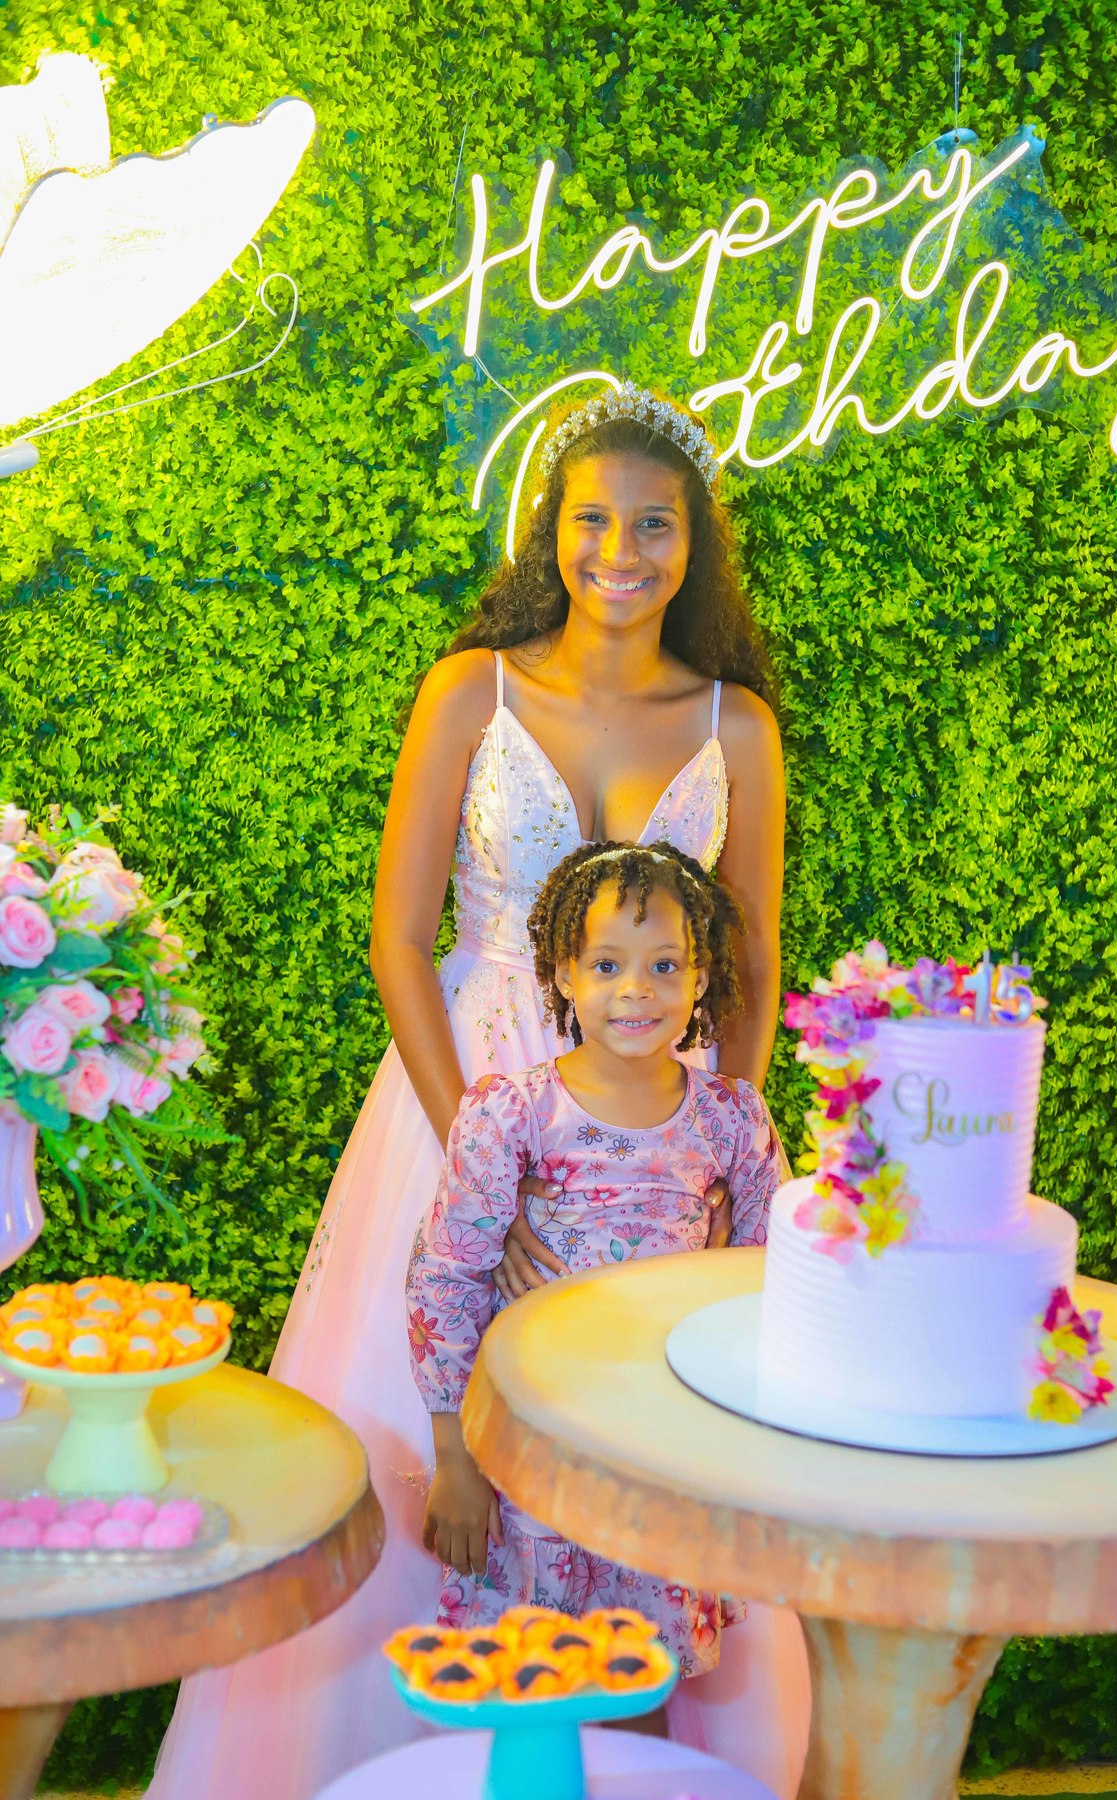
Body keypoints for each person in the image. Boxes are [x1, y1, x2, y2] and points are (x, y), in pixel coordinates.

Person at [147, 383, 806, 1800]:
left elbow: (748, 963)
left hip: (660, 1125)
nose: (620, 551)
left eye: (655, 525)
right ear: (550, 530)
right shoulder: (472, 692)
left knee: (641, 1429)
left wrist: (710, 1149)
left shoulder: (737, 725)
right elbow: (398, 940)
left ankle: (634, 1756)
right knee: (431, 1405)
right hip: (465, 1091)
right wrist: (484, 1165)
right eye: (593, 520)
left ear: (694, 544)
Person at [411, 840, 780, 1675]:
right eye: (607, 965)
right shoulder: (512, 1114)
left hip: (667, 1451)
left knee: (640, 1676)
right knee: (531, 1672)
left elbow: (767, 1282)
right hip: (534, 1438)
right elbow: (445, 1280)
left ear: (700, 978)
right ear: (564, 976)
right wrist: (454, 1460)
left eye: (665, 966)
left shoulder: (733, 1118)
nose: (635, 989)